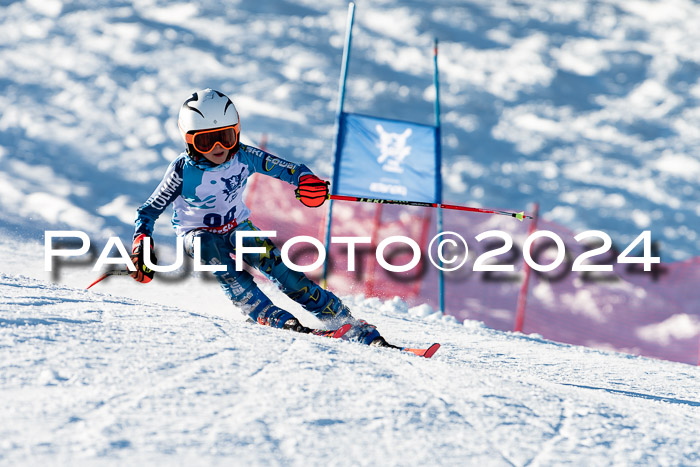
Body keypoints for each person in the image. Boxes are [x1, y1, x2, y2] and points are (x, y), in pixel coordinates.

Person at [130, 88, 390, 346]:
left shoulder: (244, 156)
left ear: (237, 131)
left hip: (237, 227)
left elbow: (289, 170)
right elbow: (149, 210)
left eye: (226, 136)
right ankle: (260, 310)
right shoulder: (181, 170)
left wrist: (307, 181)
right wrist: (142, 241)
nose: (219, 147)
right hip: (195, 235)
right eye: (206, 142)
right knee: (208, 248)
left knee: (285, 274)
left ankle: (341, 319)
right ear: (189, 141)